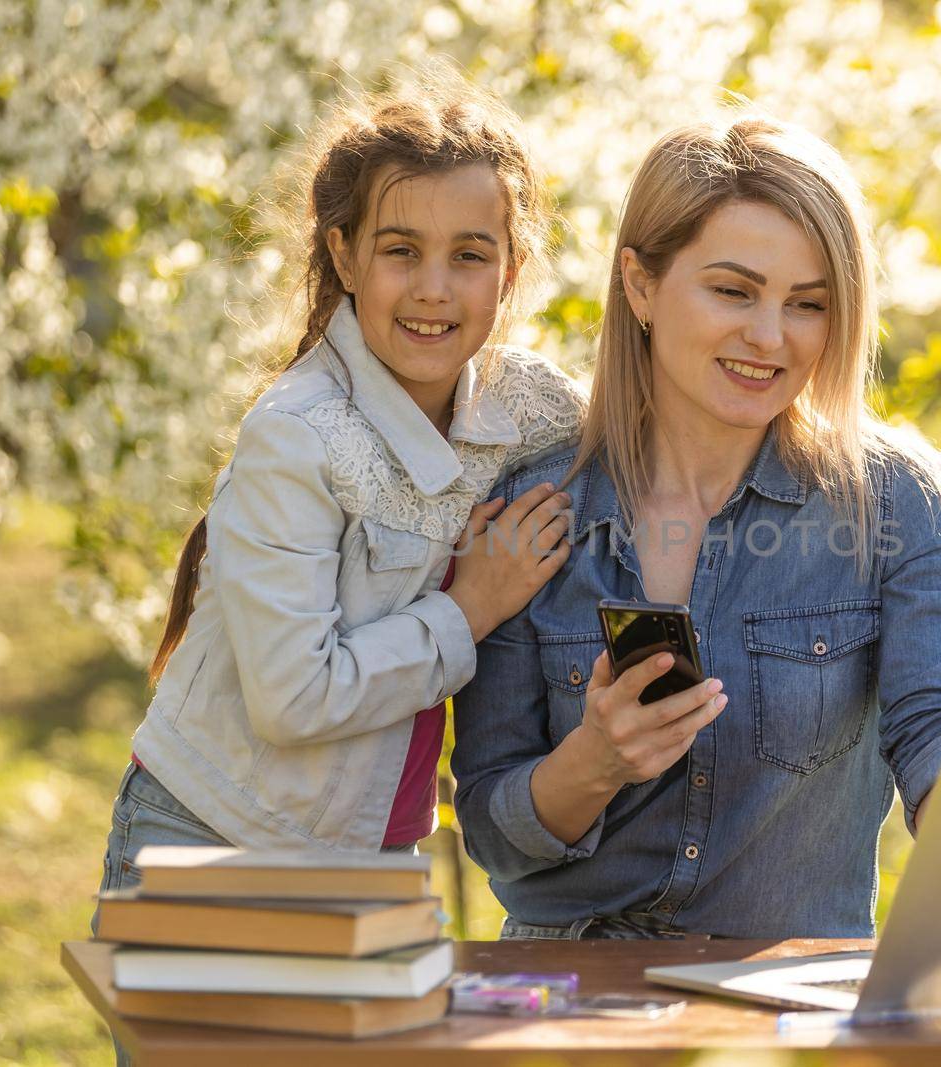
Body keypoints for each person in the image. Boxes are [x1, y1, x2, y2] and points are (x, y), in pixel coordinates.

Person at [451, 114, 941, 941]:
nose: (769, 337)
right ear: (639, 284)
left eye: (807, 304)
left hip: (784, 998)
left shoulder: (896, 504)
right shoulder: (532, 511)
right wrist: (592, 763)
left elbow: (936, 718)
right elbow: (492, 834)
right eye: (734, 291)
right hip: (572, 1001)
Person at [93, 70, 586, 918]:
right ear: (344, 254)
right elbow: (294, 699)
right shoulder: (300, 435)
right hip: (212, 842)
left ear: (510, 273)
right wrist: (474, 607)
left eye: (469, 255)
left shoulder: (526, 406)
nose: (434, 287)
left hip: (377, 855)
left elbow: (644, 428)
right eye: (401, 250)